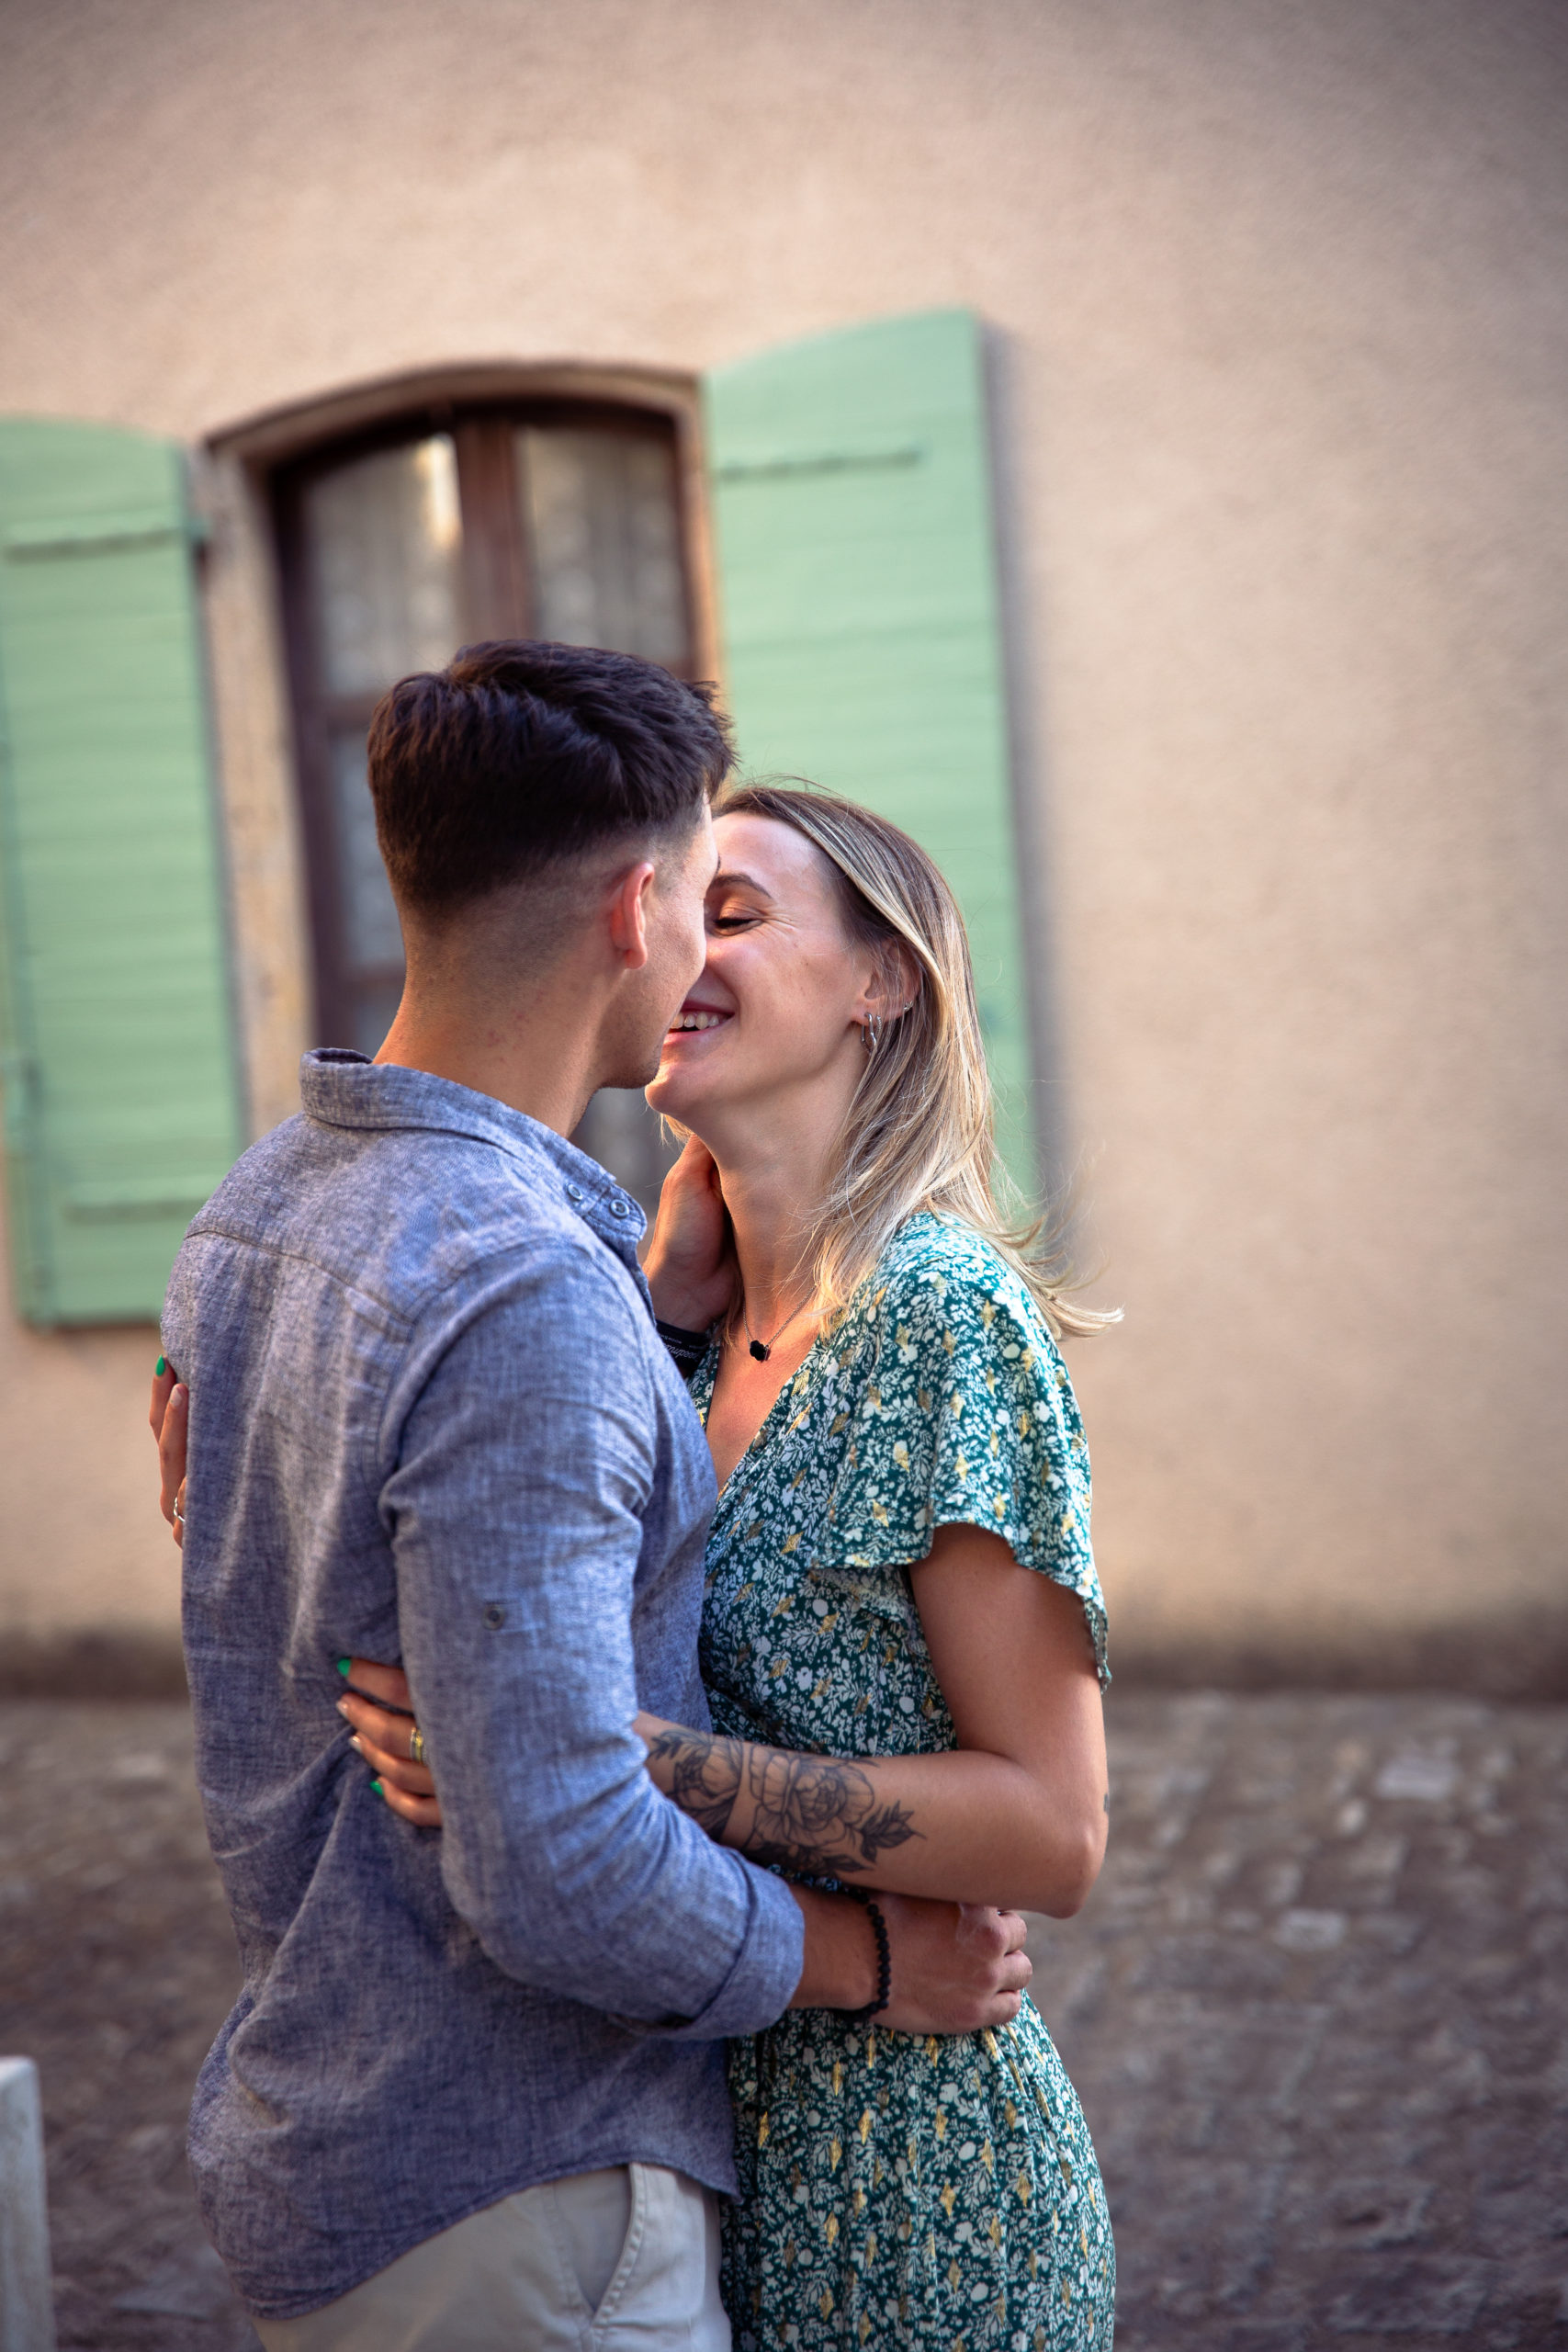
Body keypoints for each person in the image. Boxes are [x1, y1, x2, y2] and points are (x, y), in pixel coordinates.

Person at [152, 646, 1035, 2351]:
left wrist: (648, 1325)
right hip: (519, 2196)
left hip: (332, 2137)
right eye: (707, 897)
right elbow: (558, 1863)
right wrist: (869, 1963)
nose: (704, 946)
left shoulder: (255, 1213)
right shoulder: (521, 1288)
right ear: (638, 913)